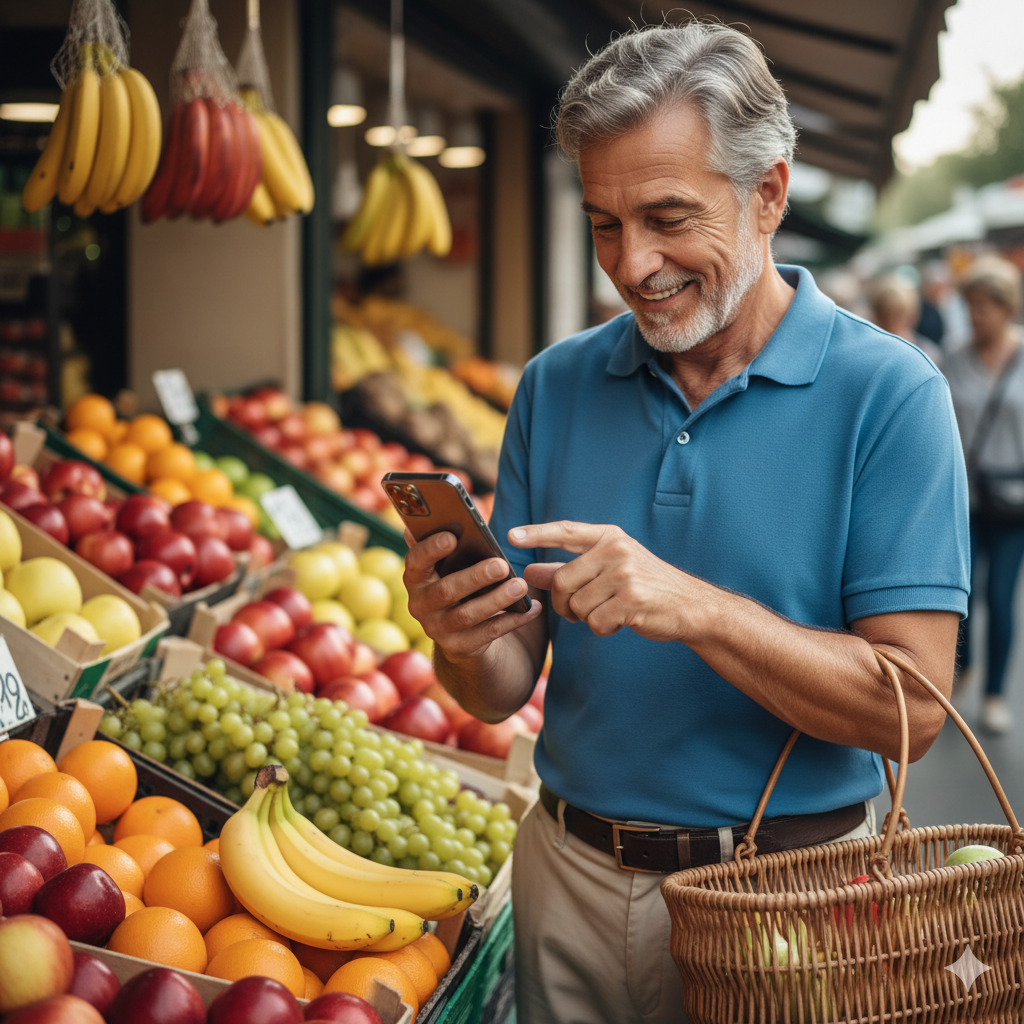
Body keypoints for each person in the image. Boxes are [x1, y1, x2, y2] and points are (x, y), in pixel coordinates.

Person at [402, 22, 969, 1024]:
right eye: (604, 224)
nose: (634, 264)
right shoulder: (554, 385)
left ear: (769, 195)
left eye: (668, 218)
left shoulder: (890, 395)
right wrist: (460, 638)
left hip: (788, 898)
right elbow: (501, 688)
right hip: (568, 876)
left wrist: (698, 609)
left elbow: (912, 712)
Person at [942, 256, 1024, 734]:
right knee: (962, 594)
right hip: (965, 499)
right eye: (969, 305)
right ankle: (964, 666)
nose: (975, 316)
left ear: (1006, 307)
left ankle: (994, 695)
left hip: (1015, 502)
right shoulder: (953, 355)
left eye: (984, 307)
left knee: (1001, 594)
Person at [868, 274, 942, 364]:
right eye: (885, 317)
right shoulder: (928, 353)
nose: (892, 323)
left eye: (899, 316)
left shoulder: (929, 354)